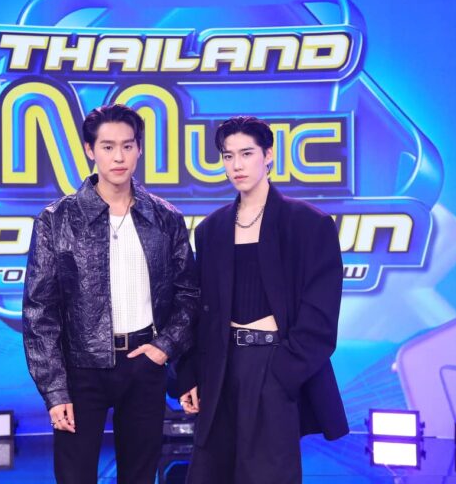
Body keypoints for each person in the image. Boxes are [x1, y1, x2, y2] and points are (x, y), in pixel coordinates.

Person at [22, 104, 198, 484]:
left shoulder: (166, 218)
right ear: (90, 150)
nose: (119, 157)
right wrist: (55, 390)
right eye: (107, 147)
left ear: (139, 149)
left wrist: (164, 347)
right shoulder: (56, 220)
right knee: (75, 477)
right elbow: (39, 312)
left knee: (140, 476)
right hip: (81, 370)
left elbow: (189, 295)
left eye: (127, 146)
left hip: (145, 363)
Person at [175, 116, 348, 483]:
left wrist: (283, 372)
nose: (236, 165)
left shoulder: (308, 224)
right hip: (221, 368)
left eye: (247, 153)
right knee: (212, 473)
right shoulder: (211, 229)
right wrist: (190, 373)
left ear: (268, 155)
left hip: (274, 364)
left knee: (269, 474)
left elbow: (321, 314)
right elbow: (199, 311)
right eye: (228, 156)